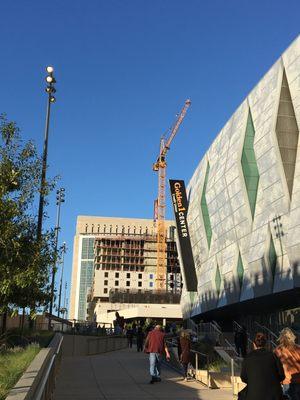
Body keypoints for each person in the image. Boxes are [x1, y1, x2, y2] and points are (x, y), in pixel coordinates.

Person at [240, 332, 285, 400]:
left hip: (254, 395)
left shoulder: (247, 358)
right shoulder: (273, 356)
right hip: (273, 395)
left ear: (254, 344)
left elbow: (243, 377)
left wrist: (255, 381)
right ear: (265, 344)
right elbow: (282, 375)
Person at [274, 328, 300, 400]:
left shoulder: (277, 351)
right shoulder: (298, 348)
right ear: (292, 337)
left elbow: (274, 367)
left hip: (286, 381)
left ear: (281, 338)